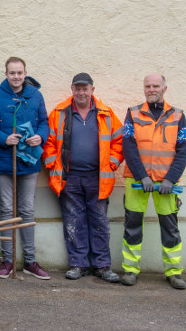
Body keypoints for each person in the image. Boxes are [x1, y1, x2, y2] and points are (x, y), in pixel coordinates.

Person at [42, 73, 123, 283]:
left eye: (84, 88)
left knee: (100, 222)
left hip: (98, 178)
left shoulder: (106, 114)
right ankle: (78, 264)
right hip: (69, 178)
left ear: (92, 90)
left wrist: (112, 163)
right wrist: (52, 163)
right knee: (73, 221)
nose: (81, 92)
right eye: (77, 88)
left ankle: (103, 266)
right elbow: (48, 141)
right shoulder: (59, 113)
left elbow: (119, 140)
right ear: (72, 90)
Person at [0, 57, 50, 280]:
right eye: (12, 73)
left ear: (25, 73)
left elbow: (44, 123)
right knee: (6, 210)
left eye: (20, 73)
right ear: (6, 74)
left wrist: (40, 137)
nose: (16, 77)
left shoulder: (35, 96)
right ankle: (7, 260)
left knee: (27, 210)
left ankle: (30, 261)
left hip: (29, 162)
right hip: (4, 162)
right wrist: (4, 138)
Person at [120, 74, 186, 289]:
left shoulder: (178, 116)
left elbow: (183, 149)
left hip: (166, 185)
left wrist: (170, 178)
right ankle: (130, 270)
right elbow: (128, 145)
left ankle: (174, 272)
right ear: (144, 89)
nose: (151, 89)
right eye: (148, 86)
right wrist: (142, 175)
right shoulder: (132, 113)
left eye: (156, 86)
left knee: (170, 227)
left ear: (164, 88)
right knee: (132, 225)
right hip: (137, 181)